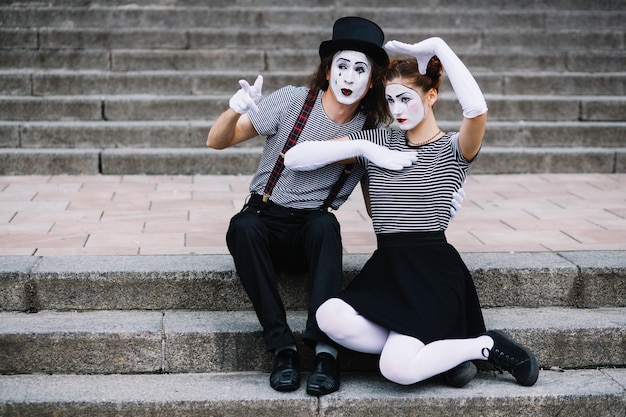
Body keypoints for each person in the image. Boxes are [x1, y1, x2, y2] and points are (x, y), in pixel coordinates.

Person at [284, 37, 539, 388]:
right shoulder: (379, 142)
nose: (397, 108)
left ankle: (483, 346)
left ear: (430, 96)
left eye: (406, 98)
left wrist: (441, 49)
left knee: (396, 370)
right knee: (328, 315)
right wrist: (361, 146)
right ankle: (443, 354)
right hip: (387, 270)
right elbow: (294, 157)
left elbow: (476, 110)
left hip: (431, 273)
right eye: (390, 100)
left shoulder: (453, 149)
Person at [206, 16, 420, 396]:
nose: (349, 77)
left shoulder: (373, 133)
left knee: (326, 226)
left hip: (311, 231)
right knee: (242, 226)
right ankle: (282, 348)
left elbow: (378, 208)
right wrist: (234, 109)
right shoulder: (291, 101)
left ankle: (325, 352)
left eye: (360, 69)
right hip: (265, 218)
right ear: (327, 71)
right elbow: (217, 141)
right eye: (342, 66)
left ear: (371, 81)